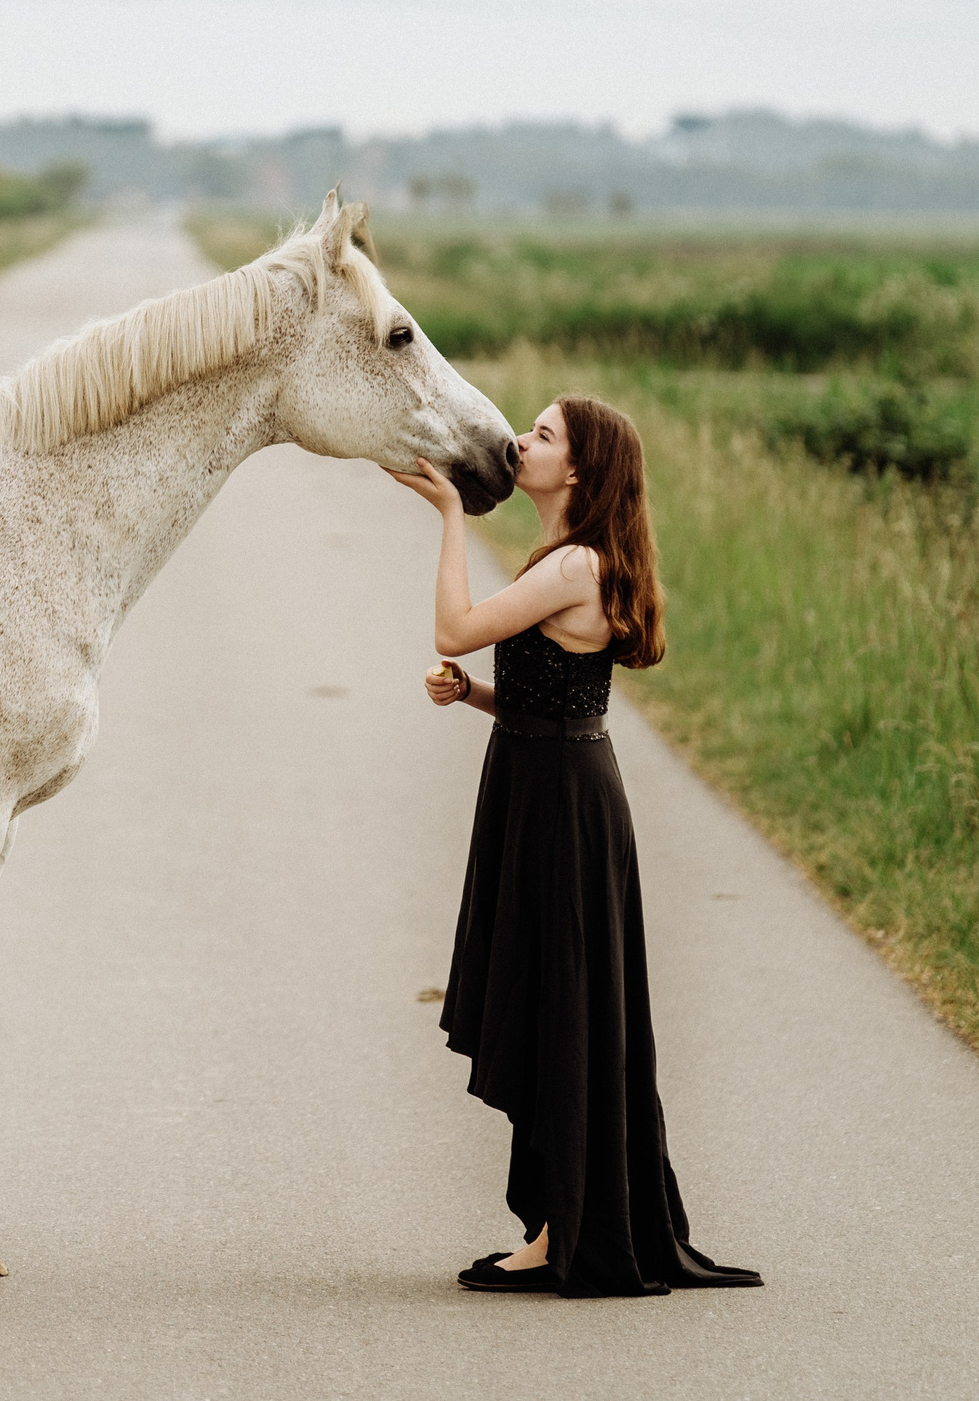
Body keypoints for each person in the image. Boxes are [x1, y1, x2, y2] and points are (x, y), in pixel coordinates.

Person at [389, 394, 761, 1298]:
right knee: (554, 997)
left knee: (559, 1000)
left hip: (559, 798)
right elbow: (555, 690)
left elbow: (452, 626)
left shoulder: (576, 565)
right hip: (546, 782)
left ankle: (566, 1228)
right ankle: (561, 1218)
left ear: (582, 472)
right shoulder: (565, 558)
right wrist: (477, 695)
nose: (521, 439)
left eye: (545, 435)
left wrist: (447, 514)